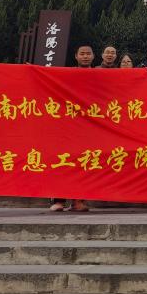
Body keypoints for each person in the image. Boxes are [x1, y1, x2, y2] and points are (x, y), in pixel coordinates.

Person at [49, 44, 96, 213]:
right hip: (68, 126)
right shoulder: (67, 73)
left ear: (93, 56)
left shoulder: (100, 75)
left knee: (84, 164)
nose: (85, 56)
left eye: (88, 53)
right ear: (76, 56)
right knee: (64, 162)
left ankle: (78, 201)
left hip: (90, 126)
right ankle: (59, 200)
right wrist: (31, 70)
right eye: (82, 53)